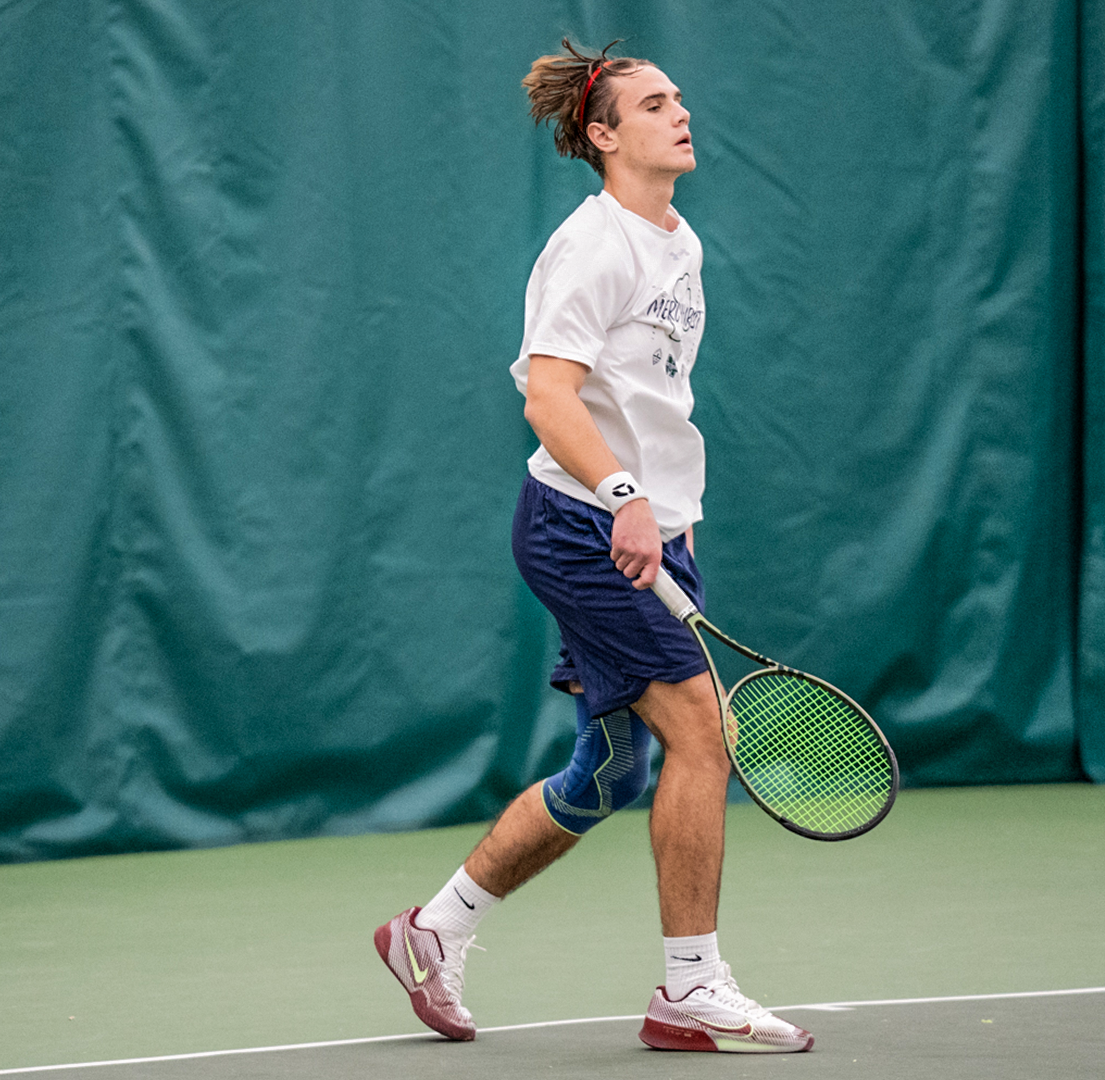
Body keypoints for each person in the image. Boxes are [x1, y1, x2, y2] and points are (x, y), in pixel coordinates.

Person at [372, 39, 813, 1054]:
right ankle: (690, 986)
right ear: (604, 136)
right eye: (654, 105)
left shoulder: (679, 243)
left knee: (611, 770)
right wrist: (624, 497)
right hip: (582, 526)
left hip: (647, 534)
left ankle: (433, 930)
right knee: (702, 735)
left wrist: (668, 513)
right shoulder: (591, 246)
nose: (680, 112)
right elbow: (549, 396)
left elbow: (647, 399)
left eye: (679, 98)